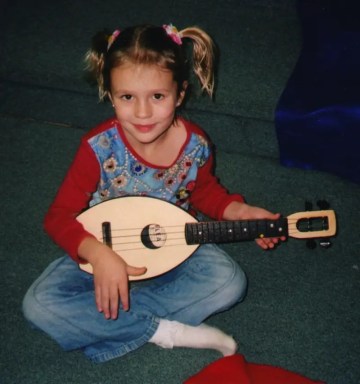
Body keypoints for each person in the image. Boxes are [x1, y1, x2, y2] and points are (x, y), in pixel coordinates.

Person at [22, 23, 285, 363]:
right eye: (127, 97)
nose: (142, 112)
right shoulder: (98, 148)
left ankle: (116, 323)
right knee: (38, 304)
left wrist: (240, 211)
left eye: (157, 96)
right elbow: (58, 217)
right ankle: (165, 331)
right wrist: (98, 255)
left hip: (174, 245)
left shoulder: (196, 144)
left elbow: (205, 192)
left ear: (180, 94)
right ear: (110, 94)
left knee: (229, 281)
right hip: (105, 247)